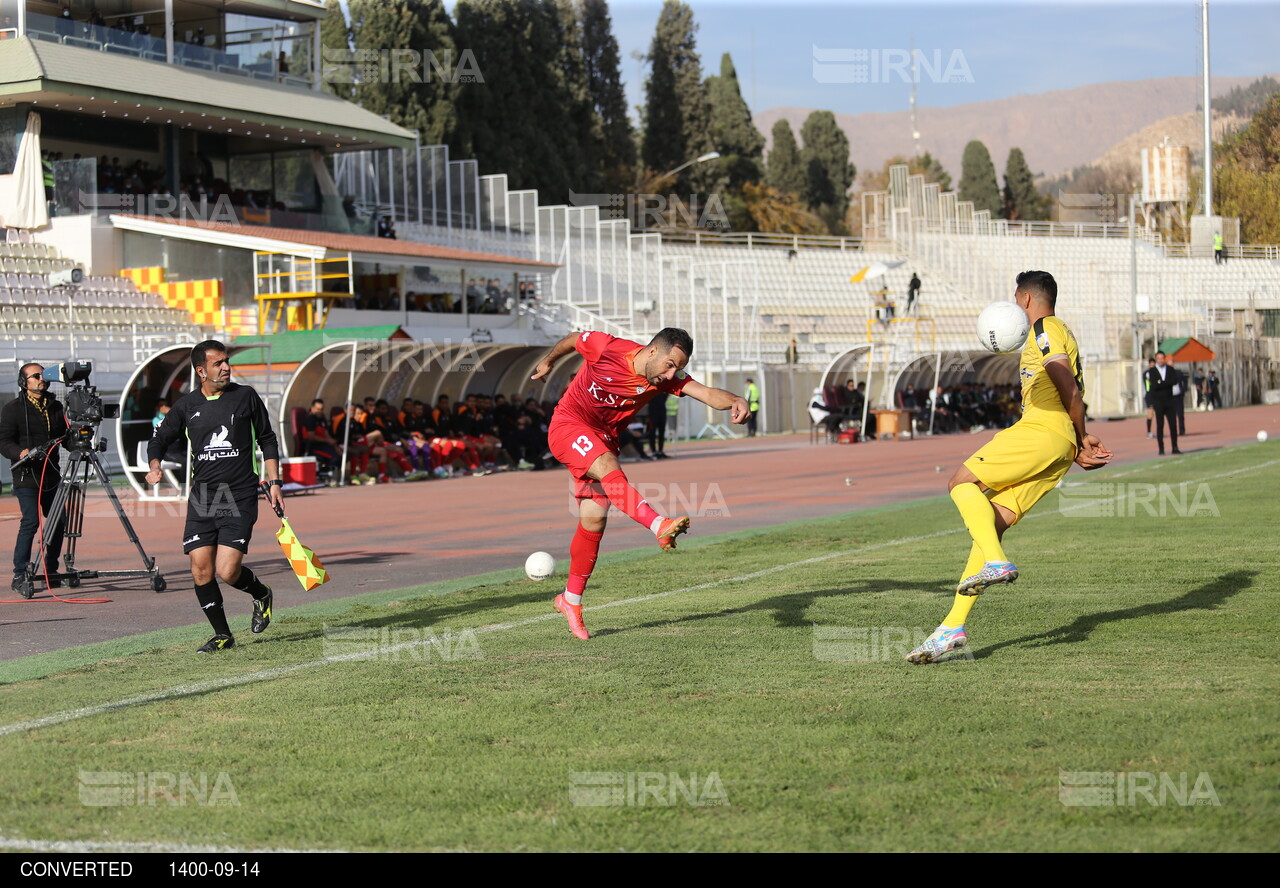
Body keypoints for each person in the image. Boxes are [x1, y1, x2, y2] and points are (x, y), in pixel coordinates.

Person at [907, 271, 1113, 665]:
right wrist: (1077, 442)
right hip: (1059, 445)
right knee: (991, 524)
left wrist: (1084, 434)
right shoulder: (1059, 329)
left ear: (1022, 299)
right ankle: (952, 628)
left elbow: (1068, 388)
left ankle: (997, 562)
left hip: (1041, 431)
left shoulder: (1045, 330)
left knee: (959, 482)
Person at [531, 328, 750, 640]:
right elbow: (572, 338)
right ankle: (658, 524)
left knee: (594, 519)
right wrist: (548, 361)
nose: (672, 373)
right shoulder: (605, 347)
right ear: (652, 352)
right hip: (569, 425)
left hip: (603, 438)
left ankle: (570, 600)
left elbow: (706, 393)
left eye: (678, 368)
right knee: (608, 465)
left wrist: (735, 400)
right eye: (669, 364)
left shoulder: (667, 378)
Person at [147, 341, 283, 653]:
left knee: (227, 571)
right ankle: (223, 635)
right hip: (204, 497)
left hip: (239, 494)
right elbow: (158, 440)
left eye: (226, 361)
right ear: (201, 371)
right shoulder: (186, 406)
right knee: (200, 569)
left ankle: (261, 594)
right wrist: (154, 466)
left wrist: (274, 482)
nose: (225, 367)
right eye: (218, 363)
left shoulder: (245, 396)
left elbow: (267, 438)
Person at [0, 364, 68, 591]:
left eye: (43, 375)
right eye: (36, 376)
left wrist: (81, 436)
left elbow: (64, 439)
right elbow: (4, 441)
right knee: (31, 521)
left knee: (58, 521)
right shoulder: (13, 408)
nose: (41, 379)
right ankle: (20, 573)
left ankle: (51, 569)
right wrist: (20, 452)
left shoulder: (56, 406)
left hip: (52, 474)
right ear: (24, 381)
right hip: (26, 475)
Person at [1145, 351, 1182, 456]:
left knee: (1173, 425)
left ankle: (1175, 447)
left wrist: (1161, 383)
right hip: (1158, 402)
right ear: (1156, 359)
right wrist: (1164, 383)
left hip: (1169, 401)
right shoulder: (1152, 371)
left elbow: (1174, 381)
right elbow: (1154, 386)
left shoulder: (1170, 369)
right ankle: (1161, 448)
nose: (1161, 360)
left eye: (1162, 358)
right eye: (1159, 358)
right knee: (1160, 425)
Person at [1143, 356, 1156, 437]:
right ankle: (1149, 432)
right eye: (1151, 364)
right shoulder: (1147, 373)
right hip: (1150, 395)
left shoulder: (1157, 372)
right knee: (1150, 414)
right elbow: (1150, 383)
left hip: (1157, 395)